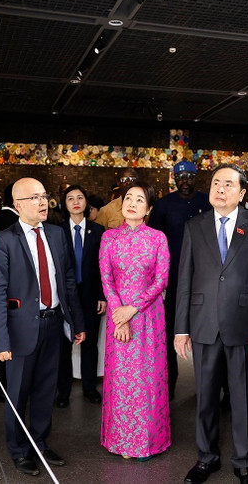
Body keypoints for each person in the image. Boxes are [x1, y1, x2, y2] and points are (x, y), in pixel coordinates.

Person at [175, 164, 248, 484]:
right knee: (204, 396)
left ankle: (244, 462)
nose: (220, 189)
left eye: (228, 184)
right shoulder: (195, 226)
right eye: (216, 183)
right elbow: (185, 280)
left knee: (243, 397)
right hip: (203, 323)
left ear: (242, 193)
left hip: (242, 323)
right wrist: (181, 328)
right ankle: (206, 458)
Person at [0, 177, 86, 476]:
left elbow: (68, 282)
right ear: (18, 205)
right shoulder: (4, 240)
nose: (42, 202)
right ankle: (18, 450)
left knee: (46, 390)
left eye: (44, 196)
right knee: (17, 393)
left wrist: (77, 321)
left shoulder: (56, 235)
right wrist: (1, 342)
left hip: (53, 324)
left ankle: (39, 443)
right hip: (20, 331)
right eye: (34, 198)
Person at [99, 181, 171, 460]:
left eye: (140, 200)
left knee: (148, 378)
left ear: (149, 208)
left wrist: (133, 309)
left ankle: (148, 442)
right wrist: (120, 316)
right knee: (120, 379)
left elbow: (160, 280)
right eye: (129, 198)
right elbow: (106, 279)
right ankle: (121, 440)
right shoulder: (109, 238)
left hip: (148, 317)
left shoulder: (157, 238)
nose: (132, 203)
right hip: (118, 317)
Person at [148, 160, 212, 400]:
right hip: (172, 281)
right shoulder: (164, 205)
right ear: (174, 179)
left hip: (204, 279)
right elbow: (153, 241)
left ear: (196, 177)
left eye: (189, 176)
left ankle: (211, 389)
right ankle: (168, 389)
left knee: (207, 337)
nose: (185, 180)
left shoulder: (207, 202)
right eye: (180, 176)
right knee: (170, 335)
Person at [56, 185, 107, 408]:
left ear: (86, 203)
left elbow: (104, 267)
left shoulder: (98, 231)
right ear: (64, 204)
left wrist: (102, 295)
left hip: (90, 296)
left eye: (80, 198)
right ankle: (63, 391)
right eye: (70, 198)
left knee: (90, 344)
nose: (75, 201)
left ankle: (89, 388)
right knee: (63, 346)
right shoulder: (56, 231)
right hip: (64, 297)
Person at [0, 182, 19, 403]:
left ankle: (1, 387)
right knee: (11, 341)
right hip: (13, 289)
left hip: (5, 286)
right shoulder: (13, 223)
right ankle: (2, 388)